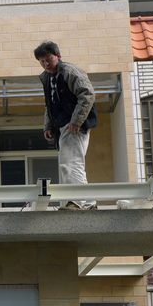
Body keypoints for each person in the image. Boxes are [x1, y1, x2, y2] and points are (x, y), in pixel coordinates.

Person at [34, 40, 98, 210]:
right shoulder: (48, 78)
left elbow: (87, 94)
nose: (46, 64)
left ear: (58, 56)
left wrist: (76, 121)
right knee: (73, 162)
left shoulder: (70, 71)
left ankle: (76, 202)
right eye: (42, 61)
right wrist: (48, 126)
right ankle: (88, 203)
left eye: (48, 59)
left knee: (70, 163)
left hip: (73, 125)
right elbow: (50, 104)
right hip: (63, 125)